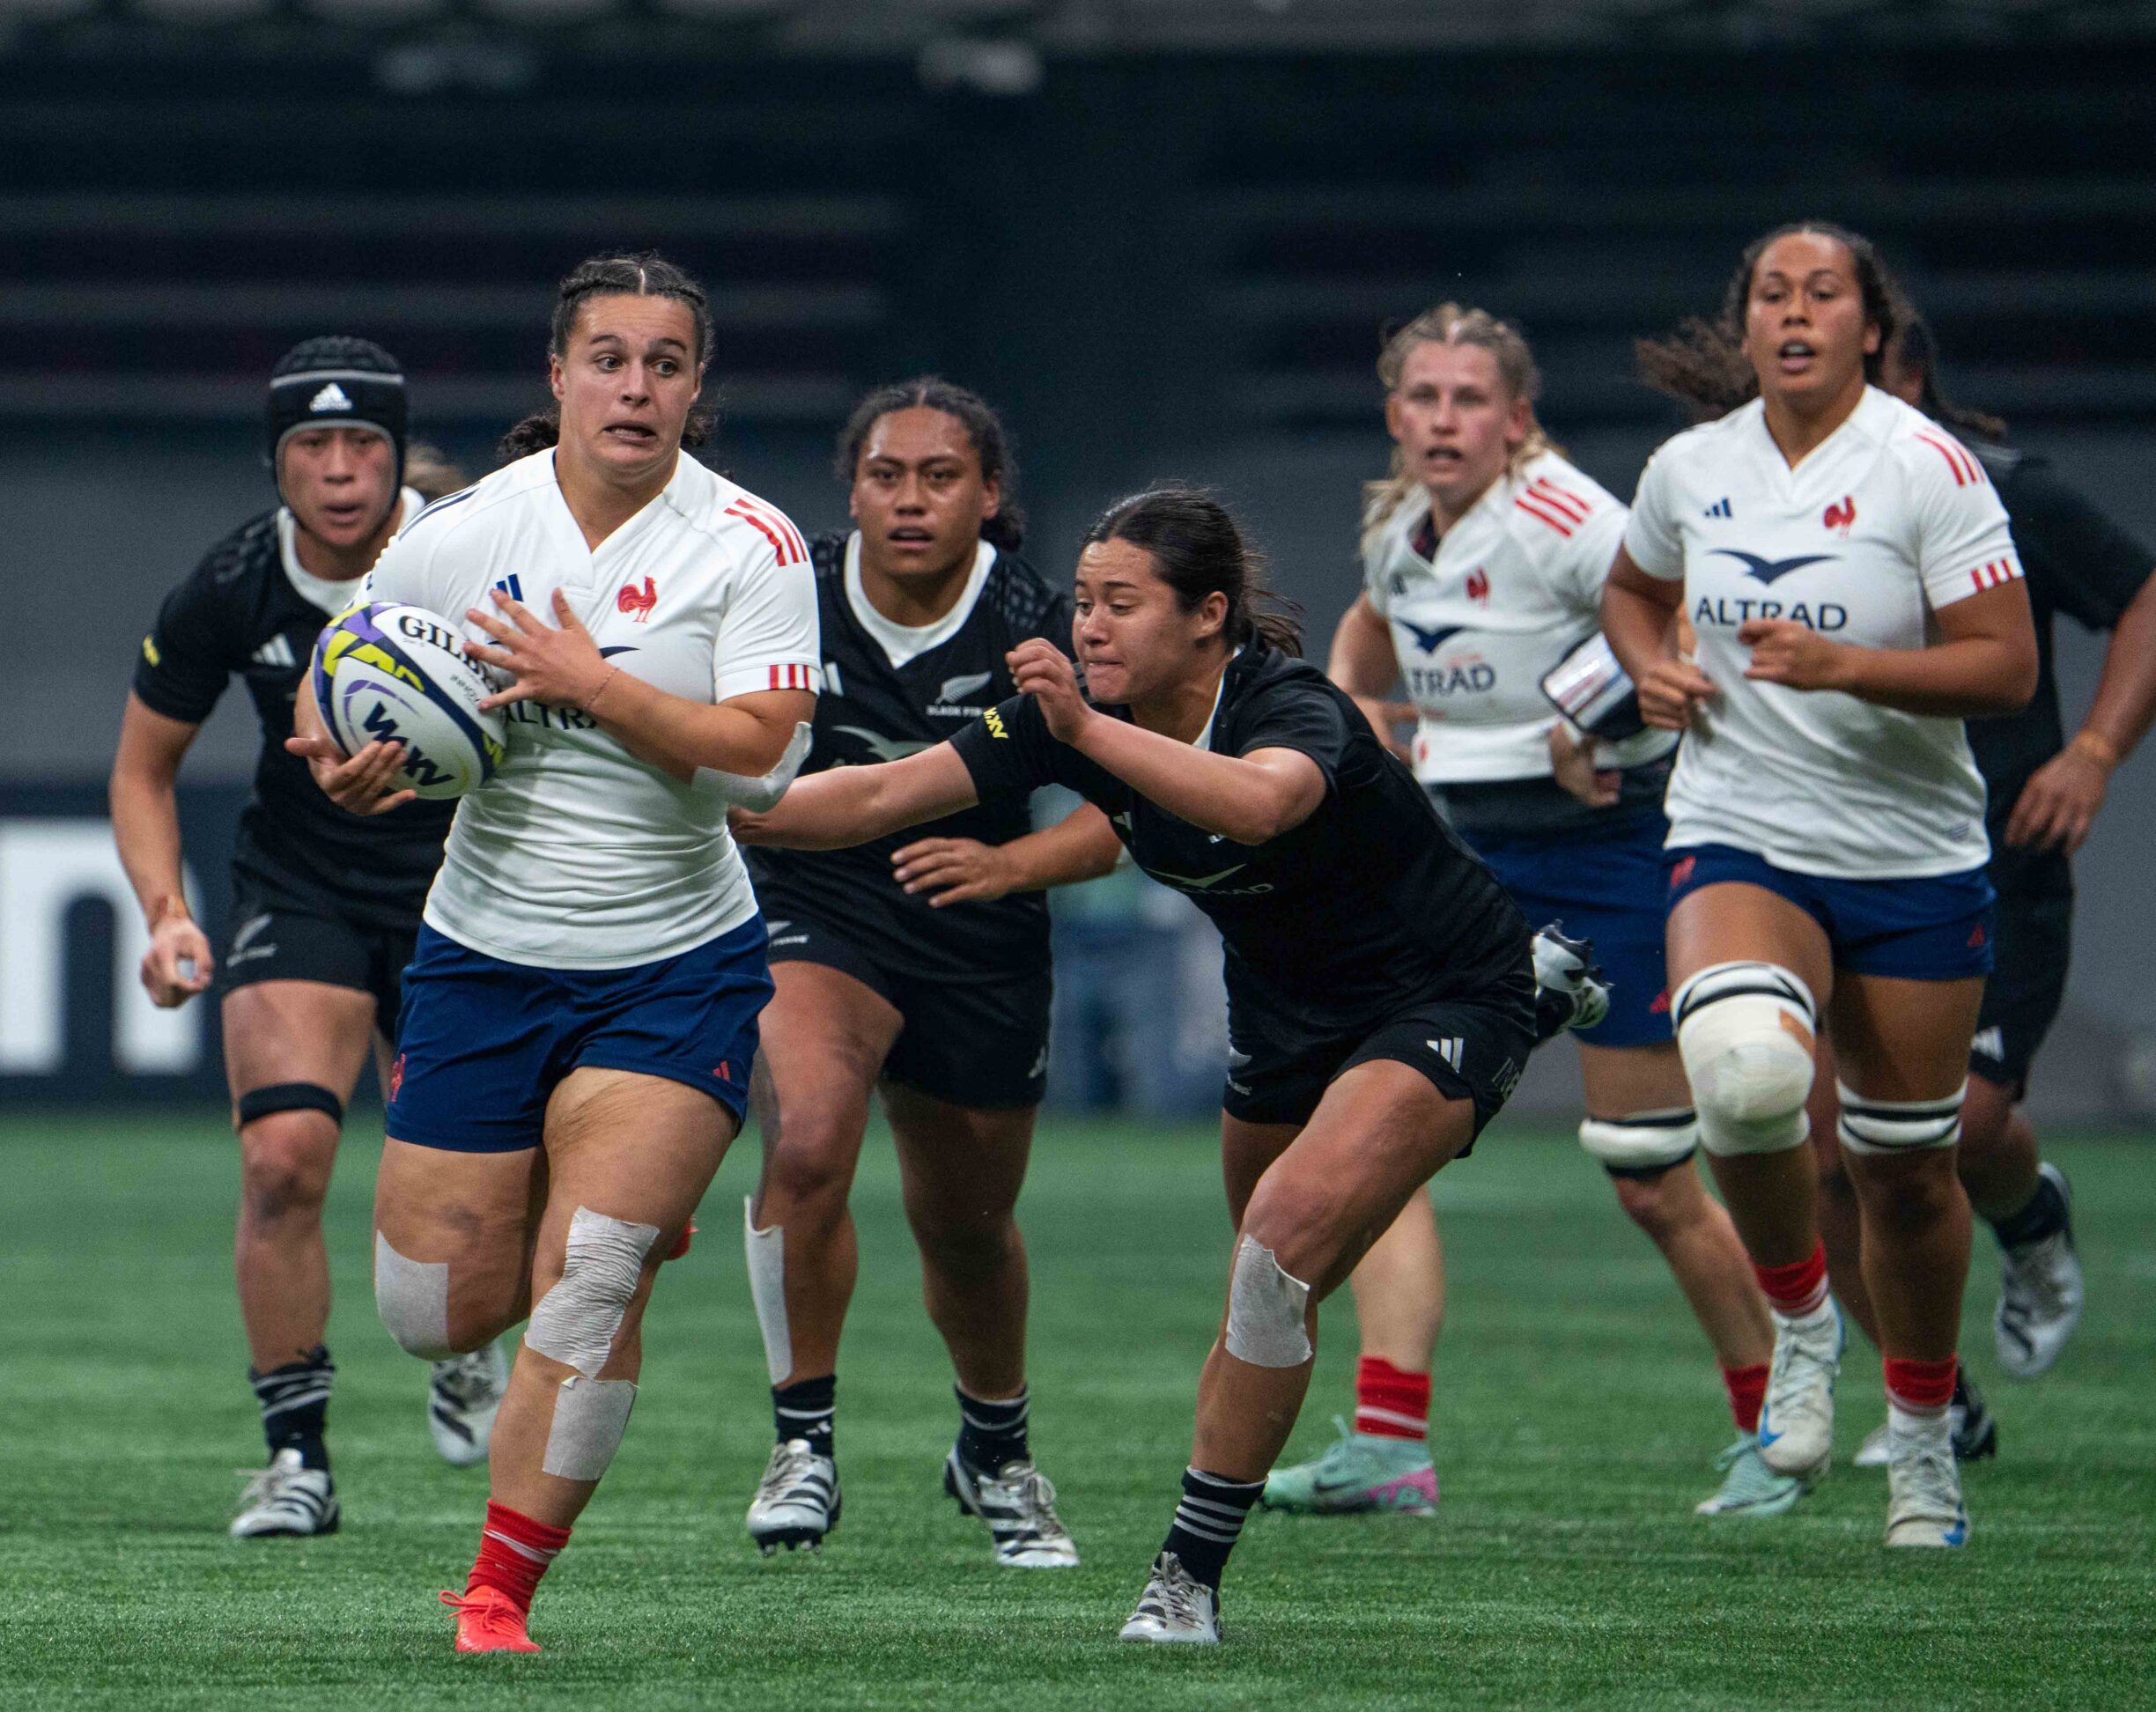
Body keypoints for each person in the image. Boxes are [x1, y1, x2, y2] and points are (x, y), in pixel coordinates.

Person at [737, 486, 1561, 1645]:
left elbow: (1262, 805)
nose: (1092, 627)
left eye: (1123, 605)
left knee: (1279, 1245)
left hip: (1444, 993)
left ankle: (1185, 1578)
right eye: (1083, 603)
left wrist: (1080, 735)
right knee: (1271, 1285)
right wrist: (726, 798)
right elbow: (876, 792)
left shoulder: (1286, 707)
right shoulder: (1075, 718)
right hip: (1282, 1014)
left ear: (1209, 616)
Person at [289, 253, 821, 1654]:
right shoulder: (469, 529)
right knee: (429, 1310)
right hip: (479, 956)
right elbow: (339, 664)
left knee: (591, 1279)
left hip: (675, 962)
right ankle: (613, 1202)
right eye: (608, 358)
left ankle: (497, 1593)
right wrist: (342, 751)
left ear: (697, 388)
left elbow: (761, 762)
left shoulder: (752, 546)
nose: (634, 387)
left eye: (663, 362)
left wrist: (594, 684)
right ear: (558, 376)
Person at [1271, 303, 1785, 1522]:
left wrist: (1590, 713)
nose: (1446, 419)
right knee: (1377, 1142)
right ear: (1397, 416)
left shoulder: (1564, 517)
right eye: (1424, 398)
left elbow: (1673, 618)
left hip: (1613, 854)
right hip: (1472, 869)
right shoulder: (1404, 523)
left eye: (1470, 399)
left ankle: (1778, 1420)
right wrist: (1349, 708)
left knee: (1652, 1175)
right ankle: (1392, 1444)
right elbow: (1375, 621)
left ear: (1516, 419)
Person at [1607, 222, 2035, 1549]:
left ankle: (1921, 1449)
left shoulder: (1929, 467)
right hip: (1741, 828)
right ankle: (1800, 1326)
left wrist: (1855, 669)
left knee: (1907, 1176)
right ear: (1745, 328)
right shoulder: (1691, 467)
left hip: (1910, 854)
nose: (1795, 313)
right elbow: (1632, 592)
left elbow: (2006, 667)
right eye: (1771, 295)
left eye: (1823, 293)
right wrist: (1650, 668)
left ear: (1868, 324)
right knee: (1741, 1074)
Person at [111, 336, 507, 1540]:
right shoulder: (232, 583)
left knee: (473, 1204)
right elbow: (142, 768)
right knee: (282, 1161)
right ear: (277, 463)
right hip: (303, 885)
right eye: (311, 447)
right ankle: (297, 1459)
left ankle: (464, 1344)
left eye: (363, 445)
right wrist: (167, 912)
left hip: (474, 886)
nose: (339, 471)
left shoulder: (478, 556)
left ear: (397, 457)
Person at [737, 378, 1120, 1565]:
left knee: (966, 1226)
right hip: (821, 908)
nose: (911, 500)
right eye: (886, 476)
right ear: (850, 492)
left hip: (980, 928)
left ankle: (994, 1451)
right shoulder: (780, 602)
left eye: (940, 477)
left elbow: (1125, 813)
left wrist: (1013, 868)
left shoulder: (1037, 624)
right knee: (805, 1142)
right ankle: (802, 1444)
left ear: (990, 495)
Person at [1822, 318, 2154, 1464]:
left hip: (1992, 865)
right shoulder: (1764, 498)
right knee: (1806, 1139)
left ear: (1911, 373)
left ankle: (2030, 1212)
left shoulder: (2011, 495)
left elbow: (2145, 595)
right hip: (1832, 861)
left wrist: (2094, 753)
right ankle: (1936, 1400)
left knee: (1949, 1133)